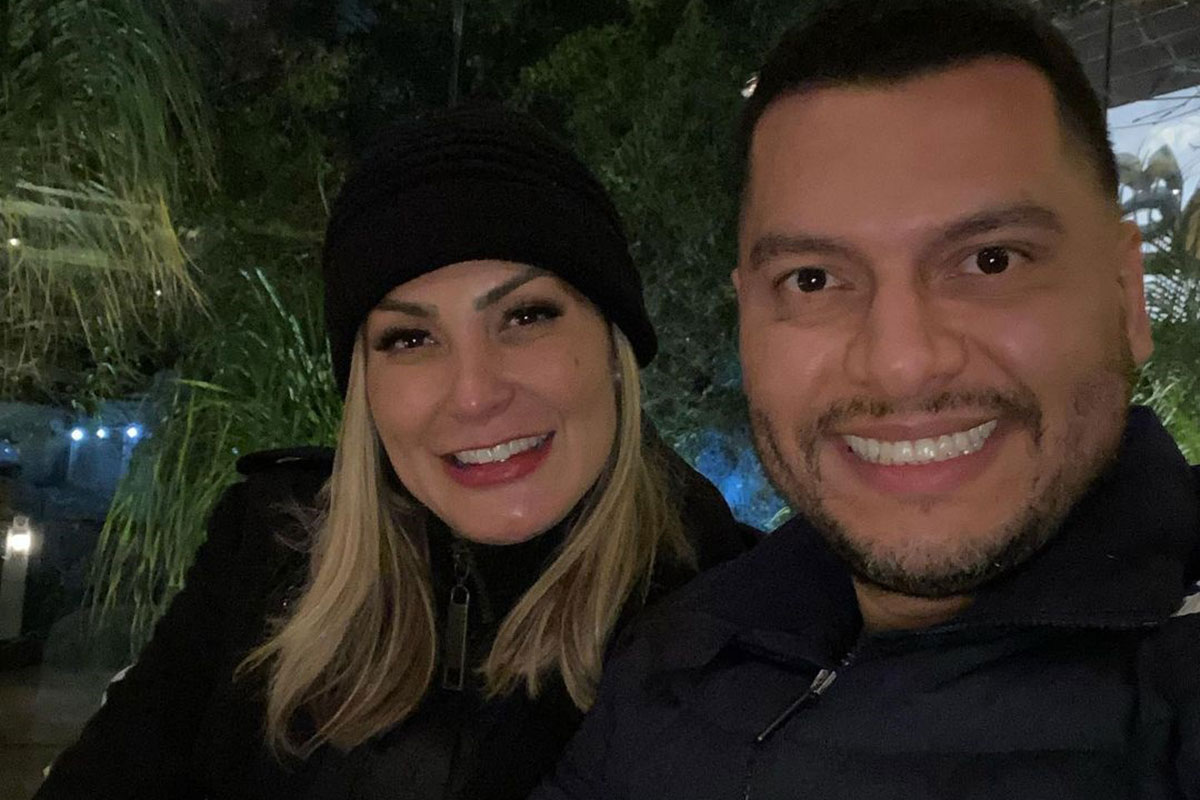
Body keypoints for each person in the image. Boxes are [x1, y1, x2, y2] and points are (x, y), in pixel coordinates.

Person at [532, 2, 1200, 798]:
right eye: (813, 279)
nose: (901, 365)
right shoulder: (681, 646)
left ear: (1128, 296)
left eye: (991, 261)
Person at [34, 107, 755, 800]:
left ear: (613, 347)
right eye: (410, 338)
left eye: (526, 316)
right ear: (366, 387)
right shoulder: (269, 549)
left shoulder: (741, 625)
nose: (473, 395)